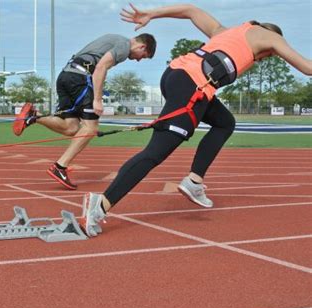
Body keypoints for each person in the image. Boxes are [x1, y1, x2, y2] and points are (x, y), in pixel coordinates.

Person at [82, 3, 312, 237]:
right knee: (155, 153)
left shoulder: (227, 32)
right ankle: (100, 205)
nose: (261, 60)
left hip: (175, 76)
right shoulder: (271, 37)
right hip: (192, 85)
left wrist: (152, 13)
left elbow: (191, 10)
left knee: (225, 122)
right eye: (267, 57)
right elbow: (308, 68)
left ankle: (194, 180)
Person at [12, 33, 156, 190]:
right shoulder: (124, 46)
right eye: (143, 56)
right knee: (91, 127)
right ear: (142, 46)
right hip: (78, 79)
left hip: (65, 76)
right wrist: (98, 99)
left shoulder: (114, 40)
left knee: (71, 127)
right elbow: (101, 67)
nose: (138, 59)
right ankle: (60, 167)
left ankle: (34, 117)